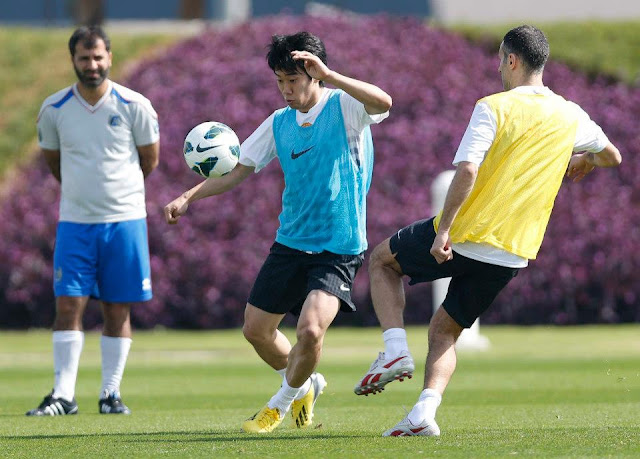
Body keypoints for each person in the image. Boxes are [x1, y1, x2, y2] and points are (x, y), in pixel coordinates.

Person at [354, 24, 621, 437]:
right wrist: (584, 155)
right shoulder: (572, 114)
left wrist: (444, 230)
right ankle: (424, 413)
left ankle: (393, 352)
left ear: (512, 60)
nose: (499, 66)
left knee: (382, 261)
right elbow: (613, 157)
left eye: (501, 58)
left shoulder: (494, 106)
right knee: (445, 329)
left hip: (468, 233)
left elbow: (468, 169)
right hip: (513, 253)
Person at [164, 31, 391, 433]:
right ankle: (305, 384)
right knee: (256, 331)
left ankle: (278, 405)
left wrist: (333, 76)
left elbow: (384, 102)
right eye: (280, 82)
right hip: (290, 244)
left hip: (339, 248)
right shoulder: (279, 123)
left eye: (294, 80)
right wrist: (188, 197)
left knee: (310, 329)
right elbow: (239, 170)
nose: (286, 90)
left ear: (314, 75)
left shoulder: (346, 107)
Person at [26, 26, 160, 416]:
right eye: (84, 58)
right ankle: (63, 396)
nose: (92, 65)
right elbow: (55, 163)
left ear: (110, 57)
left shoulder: (135, 105)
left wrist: (118, 195)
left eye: (98, 57)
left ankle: (110, 394)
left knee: (118, 309)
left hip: (125, 222)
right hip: (75, 224)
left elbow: (148, 160)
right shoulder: (54, 109)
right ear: (73, 60)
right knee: (68, 306)